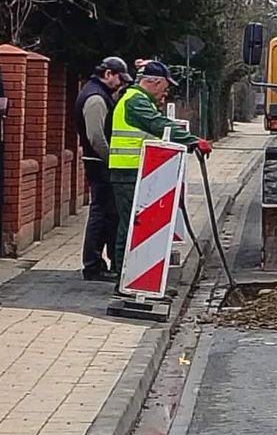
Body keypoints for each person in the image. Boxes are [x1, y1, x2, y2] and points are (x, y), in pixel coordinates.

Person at [108, 61, 209, 287]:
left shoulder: (139, 100)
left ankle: (130, 279)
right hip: (128, 171)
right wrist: (193, 141)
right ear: (154, 82)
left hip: (136, 171)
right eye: (165, 86)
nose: (166, 91)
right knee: (131, 225)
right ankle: (123, 279)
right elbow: (158, 125)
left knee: (134, 224)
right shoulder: (135, 101)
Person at [76, 56, 130, 281]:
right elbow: (97, 137)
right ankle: (93, 265)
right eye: (119, 79)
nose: (120, 84)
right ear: (108, 74)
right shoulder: (96, 99)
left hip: (98, 162)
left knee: (106, 213)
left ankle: (97, 264)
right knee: (100, 214)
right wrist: (112, 160)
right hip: (100, 164)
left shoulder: (96, 93)